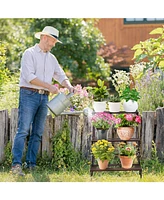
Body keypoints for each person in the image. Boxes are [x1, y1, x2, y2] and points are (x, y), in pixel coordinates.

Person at [11, 26, 74, 176]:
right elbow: (29, 77)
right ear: (44, 38)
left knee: (38, 132)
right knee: (23, 130)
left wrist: (69, 85)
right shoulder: (29, 53)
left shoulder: (52, 58)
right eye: (52, 41)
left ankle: (31, 164)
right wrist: (50, 86)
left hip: (43, 97)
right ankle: (16, 165)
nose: (53, 44)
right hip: (28, 94)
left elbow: (60, 74)